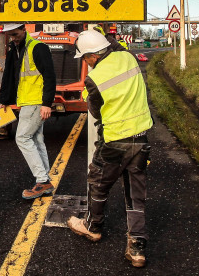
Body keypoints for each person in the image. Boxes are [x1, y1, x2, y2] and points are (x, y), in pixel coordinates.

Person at [66, 29, 153, 268]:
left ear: (92, 56)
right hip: (141, 138)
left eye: (85, 58)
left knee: (98, 183)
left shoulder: (94, 79)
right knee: (135, 194)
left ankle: (93, 227)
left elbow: (95, 112)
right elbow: (115, 45)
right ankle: (137, 247)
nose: (85, 62)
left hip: (115, 142)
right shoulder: (127, 57)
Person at [0, 24, 57, 200]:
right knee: (37, 140)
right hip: (27, 102)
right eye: (10, 36)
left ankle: (42, 180)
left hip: (36, 101)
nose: (14, 38)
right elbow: (9, 75)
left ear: (24, 30)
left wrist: (47, 103)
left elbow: (50, 76)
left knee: (22, 137)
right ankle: (45, 180)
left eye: (16, 34)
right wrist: (5, 101)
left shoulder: (38, 48)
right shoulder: (15, 48)